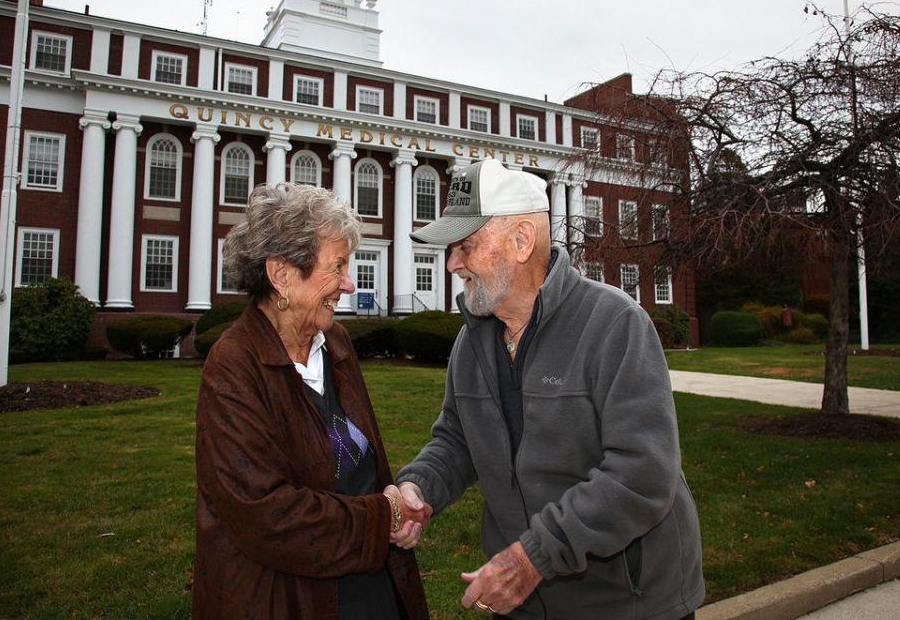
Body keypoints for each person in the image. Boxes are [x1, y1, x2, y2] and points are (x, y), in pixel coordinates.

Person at [392, 159, 704, 619]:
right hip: (524, 601)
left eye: (467, 246)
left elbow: (642, 472)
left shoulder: (614, 324)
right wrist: (419, 487)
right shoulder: (472, 341)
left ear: (521, 241)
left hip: (625, 602)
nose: (453, 263)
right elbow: (457, 439)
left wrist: (532, 556)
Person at [194, 183, 430, 620]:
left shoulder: (334, 343)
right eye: (337, 266)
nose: (347, 283)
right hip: (288, 598)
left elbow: (364, 461)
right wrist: (383, 516)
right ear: (282, 274)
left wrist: (396, 504)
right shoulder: (234, 365)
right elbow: (266, 516)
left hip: (369, 585)